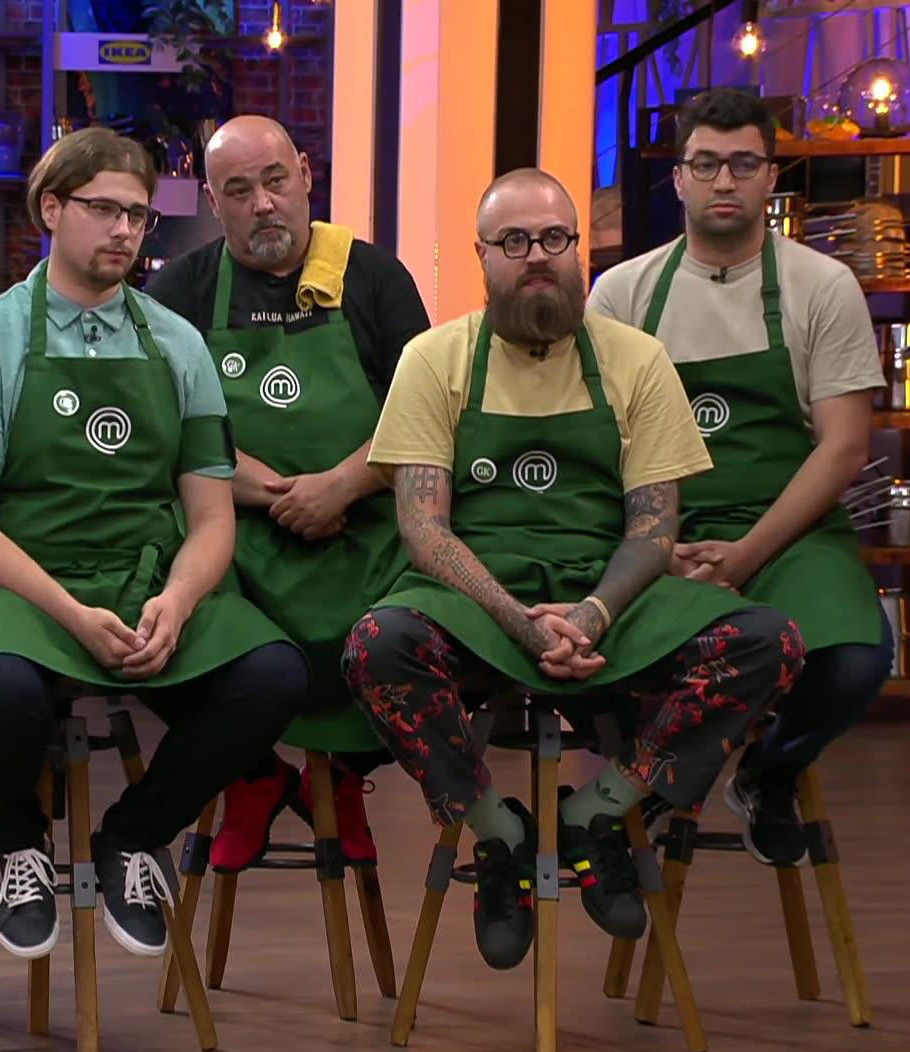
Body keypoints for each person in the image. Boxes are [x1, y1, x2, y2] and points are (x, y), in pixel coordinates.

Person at [342, 167, 805, 971]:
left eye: (555, 238)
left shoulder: (637, 360)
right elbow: (424, 530)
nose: (537, 256)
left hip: (609, 598)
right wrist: (519, 621)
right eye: (514, 241)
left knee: (772, 642)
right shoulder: (434, 359)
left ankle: (597, 812)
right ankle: (500, 835)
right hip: (478, 604)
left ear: (578, 249)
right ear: (481, 256)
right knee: (374, 647)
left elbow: (654, 531)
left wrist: (592, 614)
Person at [0, 128, 307, 961]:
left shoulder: (176, 343)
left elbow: (211, 514)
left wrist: (180, 599)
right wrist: (69, 613)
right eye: (104, 210)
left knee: (273, 674)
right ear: (52, 209)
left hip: (143, 574)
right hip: (19, 584)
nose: (125, 231)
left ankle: (134, 836)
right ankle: (17, 843)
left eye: (138, 215)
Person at [588, 87, 893, 867]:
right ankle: (647, 790)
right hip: (663, 531)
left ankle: (768, 773)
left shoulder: (821, 285)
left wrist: (747, 555)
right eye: (706, 164)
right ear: (678, 177)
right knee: (604, 657)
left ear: (771, 175)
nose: (724, 181)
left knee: (857, 661)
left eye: (743, 164)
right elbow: (600, 443)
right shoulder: (622, 294)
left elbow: (843, 448)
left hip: (788, 532)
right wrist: (659, 547)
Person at [147, 115, 429, 872]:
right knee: (162, 605)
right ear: (214, 202)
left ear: (306, 174)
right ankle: (251, 774)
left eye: (275, 181)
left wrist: (340, 486)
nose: (263, 204)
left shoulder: (375, 278)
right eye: (238, 191)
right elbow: (161, 427)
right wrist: (281, 495)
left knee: (416, 618)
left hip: (364, 526)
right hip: (234, 528)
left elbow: (425, 416)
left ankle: (342, 777)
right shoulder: (181, 291)